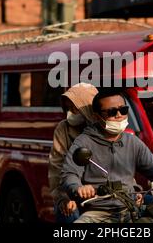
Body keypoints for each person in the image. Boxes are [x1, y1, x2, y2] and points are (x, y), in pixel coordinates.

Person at [61, 89, 153, 223]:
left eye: (123, 110)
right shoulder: (84, 142)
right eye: (112, 112)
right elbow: (70, 173)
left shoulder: (132, 142)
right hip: (98, 211)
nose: (119, 115)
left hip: (131, 207)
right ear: (97, 116)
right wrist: (79, 188)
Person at [48, 83, 98, 223]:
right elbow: (56, 167)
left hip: (104, 194)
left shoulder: (105, 128)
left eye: (75, 108)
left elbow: (122, 164)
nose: (70, 112)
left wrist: (133, 190)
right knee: (69, 213)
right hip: (73, 192)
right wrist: (64, 197)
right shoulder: (63, 129)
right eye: (68, 108)